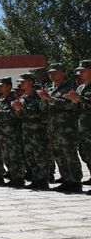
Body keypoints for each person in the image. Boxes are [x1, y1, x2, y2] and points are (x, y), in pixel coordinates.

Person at [40, 63, 82, 193]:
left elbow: (71, 105)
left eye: (55, 72)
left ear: (63, 72)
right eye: (50, 73)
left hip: (67, 128)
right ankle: (66, 180)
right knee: (59, 155)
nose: (52, 75)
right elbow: (43, 108)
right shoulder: (49, 88)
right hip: (53, 128)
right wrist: (44, 101)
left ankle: (75, 182)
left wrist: (50, 99)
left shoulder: (71, 87)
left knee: (70, 155)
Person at [13, 73, 52, 190]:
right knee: (30, 157)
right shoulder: (23, 97)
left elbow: (42, 112)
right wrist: (18, 110)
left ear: (30, 82)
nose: (21, 83)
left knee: (41, 157)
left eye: (23, 81)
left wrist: (22, 109)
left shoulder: (39, 95)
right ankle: (36, 178)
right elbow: (21, 116)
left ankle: (43, 180)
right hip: (27, 133)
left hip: (38, 132)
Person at [64, 60, 91, 190]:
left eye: (83, 70)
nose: (80, 73)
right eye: (79, 70)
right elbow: (75, 108)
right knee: (86, 154)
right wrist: (73, 101)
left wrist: (80, 99)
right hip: (82, 127)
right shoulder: (80, 88)